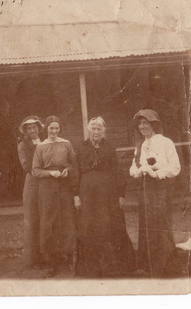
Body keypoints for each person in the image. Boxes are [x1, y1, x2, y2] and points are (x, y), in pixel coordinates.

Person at [74, 117, 136, 277]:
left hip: (108, 194)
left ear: (103, 131)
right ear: (89, 130)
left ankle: (113, 266)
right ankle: (91, 268)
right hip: (87, 193)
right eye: (93, 129)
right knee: (89, 226)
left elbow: (117, 171)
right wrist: (76, 195)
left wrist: (121, 194)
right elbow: (76, 172)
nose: (96, 132)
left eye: (99, 129)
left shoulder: (109, 147)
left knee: (109, 225)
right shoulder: (81, 147)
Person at [129, 109, 181, 277]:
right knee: (146, 225)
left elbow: (175, 167)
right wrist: (136, 171)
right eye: (140, 123)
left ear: (154, 124)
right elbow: (134, 165)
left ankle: (166, 268)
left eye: (146, 123)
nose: (143, 126)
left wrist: (156, 173)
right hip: (145, 188)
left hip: (160, 188)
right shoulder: (141, 145)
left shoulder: (166, 142)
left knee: (161, 225)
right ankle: (149, 267)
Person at [32, 116, 76, 277]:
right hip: (47, 188)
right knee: (48, 222)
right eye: (51, 128)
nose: (54, 131)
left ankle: (67, 259)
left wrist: (67, 171)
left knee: (66, 221)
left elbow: (73, 163)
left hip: (63, 187)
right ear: (46, 129)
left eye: (57, 128)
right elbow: (35, 170)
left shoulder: (66, 144)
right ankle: (50, 262)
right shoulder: (40, 147)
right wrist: (50, 172)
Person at [17, 115, 44, 268]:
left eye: (34, 127)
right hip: (32, 184)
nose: (32, 130)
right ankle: (32, 259)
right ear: (26, 131)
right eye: (29, 128)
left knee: (45, 218)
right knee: (32, 219)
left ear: (39, 128)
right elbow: (27, 166)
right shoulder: (22, 146)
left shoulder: (46, 142)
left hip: (46, 184)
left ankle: (46, 255)